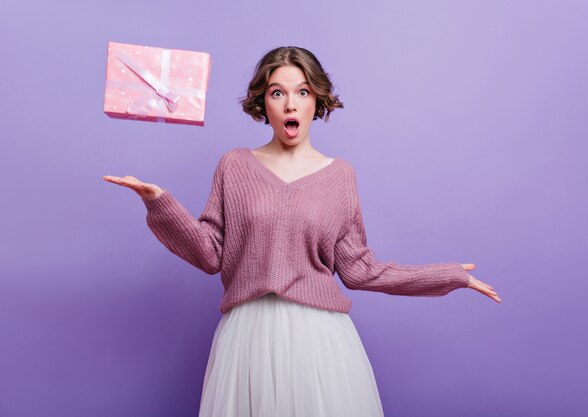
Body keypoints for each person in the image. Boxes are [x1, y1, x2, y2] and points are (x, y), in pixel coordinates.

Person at [103, 46, 501, 417]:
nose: (290, 104)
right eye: (277, 93)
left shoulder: (340, 176)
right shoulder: (235, 166)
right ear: (263, 102)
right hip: (248, 339)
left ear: (317, 101)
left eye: (302, 92)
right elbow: (210, 255)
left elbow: (361, 271)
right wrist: (159, 202)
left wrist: (449, 276)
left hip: (319, 341)